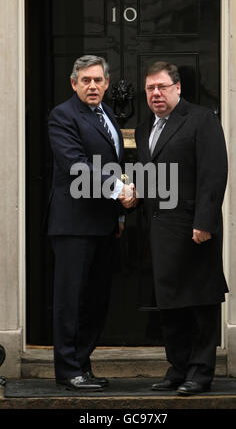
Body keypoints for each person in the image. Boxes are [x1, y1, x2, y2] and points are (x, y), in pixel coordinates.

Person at [135, 61, 228, 396]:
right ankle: (177, 368)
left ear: (177, 88)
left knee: (200, 302)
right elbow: (150, 175)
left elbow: (213, 175)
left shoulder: (201, 119)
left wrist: (204, 222)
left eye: (162, 87)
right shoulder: (146, 127)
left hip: (193, 229)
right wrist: (133, 194)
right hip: (160, 232)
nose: (156, 94)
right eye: (150, 88)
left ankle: (200, 373)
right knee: (169, 304)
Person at [47, 55, 136, 391]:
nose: (93, 86)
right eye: (86, 80)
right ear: (74, 83)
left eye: (98, 80)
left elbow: (113, 165)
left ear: (107, 83)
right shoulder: (62, 116)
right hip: (72, 226)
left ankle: (82, 365)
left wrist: (119, 213)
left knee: (96, 301)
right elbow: (76, 167)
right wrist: (121, 192)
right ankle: (68, 370)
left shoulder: (108, 115)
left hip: (103, 225)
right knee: (71, 300)